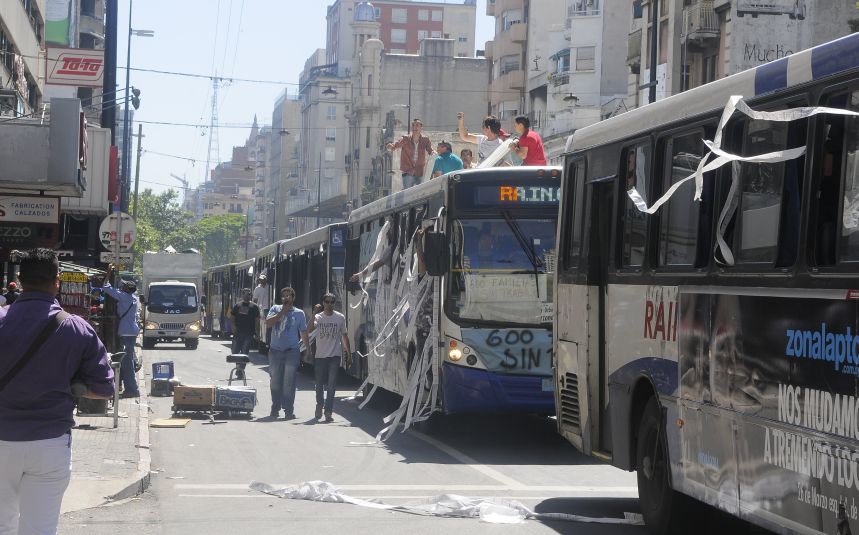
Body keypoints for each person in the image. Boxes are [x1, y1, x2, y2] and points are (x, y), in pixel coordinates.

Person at [0, 248, 114, 535]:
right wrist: (73, 385)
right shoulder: (77, 328)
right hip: (49, 443)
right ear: (57, 281)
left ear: (20, 279)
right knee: (39, 529)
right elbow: (104, 389)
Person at [265, 287, 310, 420]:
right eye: (284, 296)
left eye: (289, 295)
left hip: (292, 351)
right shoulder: (275, 309)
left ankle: (288, 410)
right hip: (275, 351)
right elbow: (268, 323)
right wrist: (282, 312)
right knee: (275, 381)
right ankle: (275, 407)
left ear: (293, 298)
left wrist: (308, 349)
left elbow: (303, 332)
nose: (286, 298)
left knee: (289, 382)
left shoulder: (299, 313)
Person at [308, 292, 350, 423]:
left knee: (331, 385)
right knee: (319, 384)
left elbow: (344, 336)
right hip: (320, 356)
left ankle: (328, 411)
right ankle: (319, 404)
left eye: (332, 302)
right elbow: (309, 329)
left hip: (334, 356)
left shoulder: (340, 317)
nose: (329, 304)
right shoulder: (318, 317)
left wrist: (349, 354)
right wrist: (314, 313)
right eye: (327, 302)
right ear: (323, 303)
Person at [101, 265, 140, 398]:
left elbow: (105, 287)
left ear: (125, 289)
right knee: (127, 359)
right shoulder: (133, 298)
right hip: (132, 331)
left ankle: (132, 389)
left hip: (125, 331)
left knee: (127, 362)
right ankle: (125, 385)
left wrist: (108, 273)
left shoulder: (123, 297)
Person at [386, 118, 434, 189]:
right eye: (413, 125)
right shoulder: (405, 139)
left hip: (419, 172)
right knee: (408, 193)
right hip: (408, 172)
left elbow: (430, 150)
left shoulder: (425, 140)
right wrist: (390, 146)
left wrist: (434, 153)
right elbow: (396, 145)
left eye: (417, 125)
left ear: (421, 127)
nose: (415, 127)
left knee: (420, 193)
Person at [231, 288, 260, 379]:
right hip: (237, 333)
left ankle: (240, 371)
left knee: (244, 353)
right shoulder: (237, 305)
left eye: (249, 294)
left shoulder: (254, 307)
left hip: (248, 333)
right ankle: (238, 367)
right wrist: (233, 326)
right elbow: (232, 317)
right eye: (245, 294)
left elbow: (257, 321)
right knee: (234, 352)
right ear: (242, 295)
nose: (247, 295)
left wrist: (258, 333)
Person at [252, 274, 271, 354]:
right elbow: (255, 300)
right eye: (261, 280)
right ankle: (261, 342)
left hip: (269, 309)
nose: (262, 281)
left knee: (268, 327)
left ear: (266, 280)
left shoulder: (269, 287)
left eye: (263, 279)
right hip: (261, 309)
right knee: (261, 327)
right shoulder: (257, 289)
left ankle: (267, 341)